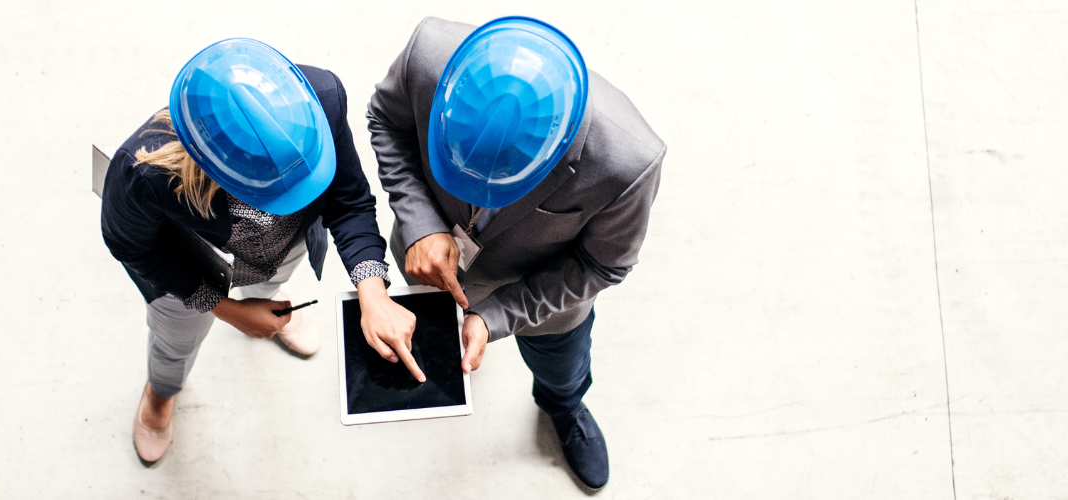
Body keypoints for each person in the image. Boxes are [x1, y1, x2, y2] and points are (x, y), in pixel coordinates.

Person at [366, 16, 666, 489]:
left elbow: (602, 264)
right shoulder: (429, 54)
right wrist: (421, 223)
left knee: (562, 369)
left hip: (544, 302)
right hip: (425, 260)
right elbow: (386, 121)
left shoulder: (628, 163)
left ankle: (563, 407)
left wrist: (497, 316)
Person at [101, 38, 416, 465]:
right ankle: (162, 390)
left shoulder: (322, 97)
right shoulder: (142, 172)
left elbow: (348, 201)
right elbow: (134, 247)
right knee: (177, 335)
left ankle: (264, 304)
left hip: (286, 245)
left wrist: (373, 290)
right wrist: (226, 309)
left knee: (275, 281)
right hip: (192, 264)